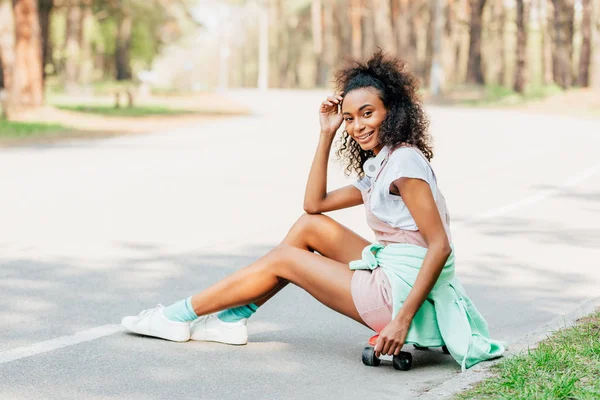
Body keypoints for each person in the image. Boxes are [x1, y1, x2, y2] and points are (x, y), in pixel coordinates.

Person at [121, 51, 504, 370]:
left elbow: (440, 246)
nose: (357, 126)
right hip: (397, 267)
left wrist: (400, 321)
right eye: (350, 118)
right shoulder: (383, 163)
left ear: (393, 110)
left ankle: (177, 316)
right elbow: (314, 205)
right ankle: (233, 319)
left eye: (367, 113)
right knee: (309, 227)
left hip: (398, 293)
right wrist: (326, 132)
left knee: (284, 258)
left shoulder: (403, 166)